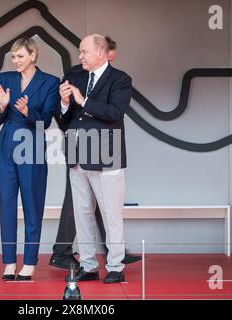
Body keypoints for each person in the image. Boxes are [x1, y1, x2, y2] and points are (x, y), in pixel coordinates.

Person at [50, 36, 141, 271]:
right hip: (77, 157)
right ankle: (88, 266)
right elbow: (65, 121)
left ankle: (115, 268)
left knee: (111, 215)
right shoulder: (74, 75)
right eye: (80, 52)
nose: (80, 56)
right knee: (81, 215)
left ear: (100, 52)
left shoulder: (120, 79)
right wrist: (63, 103)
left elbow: (114, 113)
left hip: (106, 157)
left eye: (84, 52)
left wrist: (83, 100)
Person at [0, 37, 60, 281]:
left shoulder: (50, 82)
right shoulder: (5, 79)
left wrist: (26, 112)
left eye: (20, 56)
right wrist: (2, 107)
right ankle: (9, 261)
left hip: (31, 140)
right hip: (7, 142)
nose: (15, 60)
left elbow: (47, 122)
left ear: (33, 55)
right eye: (13, 56)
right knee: (7, 204)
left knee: (33, 204)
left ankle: (29, 262)